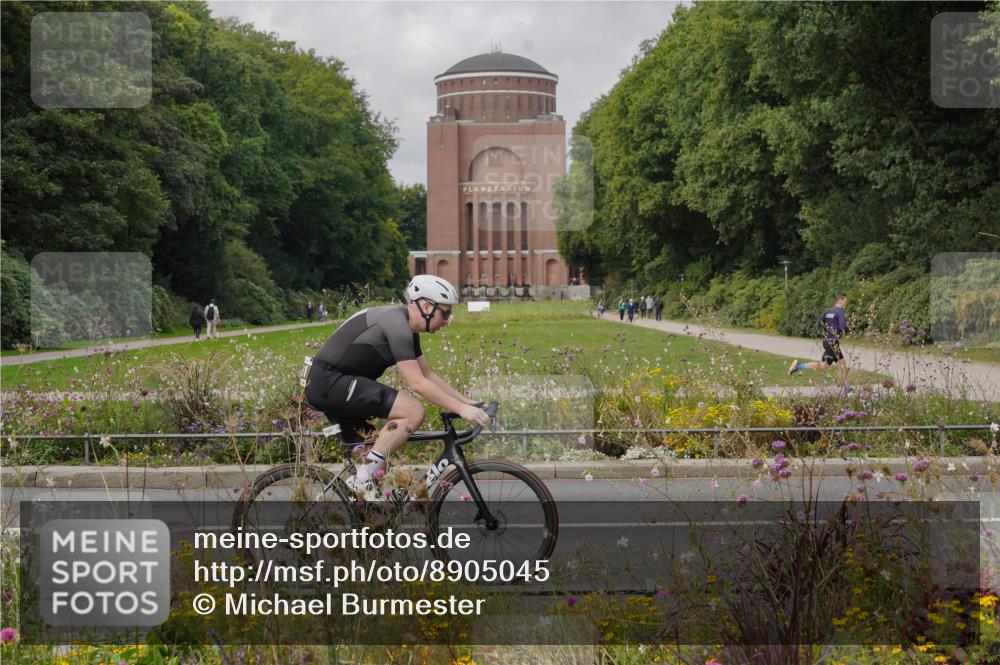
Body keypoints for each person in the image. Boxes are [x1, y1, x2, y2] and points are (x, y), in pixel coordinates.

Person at [303, 275, 490, 500]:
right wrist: (461, 410)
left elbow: (428, 375)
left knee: (380, 451)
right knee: (413, 411)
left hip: (334, 383)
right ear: (427, 306)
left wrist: (468, 403)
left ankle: (365, 513)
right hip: (329, 382)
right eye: (446, 312)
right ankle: (360, 483)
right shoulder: (396, 323)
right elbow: (417, 383)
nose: (448, 319)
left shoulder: (406, 329)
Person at [788, 294, 850, 387]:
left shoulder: (827, 311)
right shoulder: (840, 311)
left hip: (827, 342)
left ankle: (799, 366)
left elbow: (820, 322)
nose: (846, 304)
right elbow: (842, 326)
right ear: (840, 301)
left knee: (823, 366)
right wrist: (848, 330)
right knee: (842, 364)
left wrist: (827, 331)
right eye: (845, 301)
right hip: (833, 343)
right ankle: (847, 388)